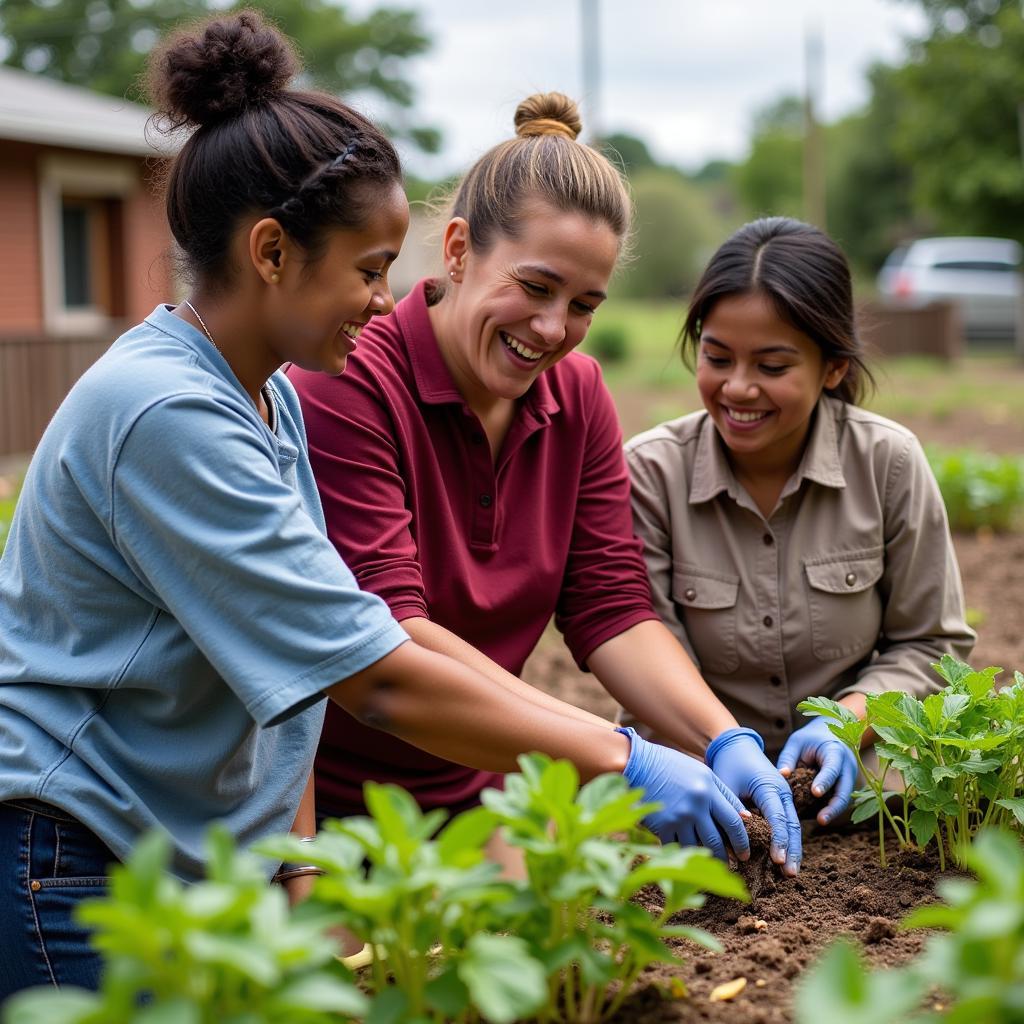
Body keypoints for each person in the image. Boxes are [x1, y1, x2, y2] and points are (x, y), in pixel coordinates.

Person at [0, 18, 757, 998]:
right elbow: (372, 673)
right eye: (367, 269)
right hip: (80, 859)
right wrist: (624, 757)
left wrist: (295, 866)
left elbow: (292, 673)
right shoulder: (169, 414)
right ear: (271, 251)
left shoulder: (257, 396)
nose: (384, 298)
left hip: (181, 852)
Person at [288, 93, 804, 881]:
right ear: (457, 250)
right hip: (322, 808)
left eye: (584, 305)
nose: (553, 328)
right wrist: (623, 756)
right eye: (534, 287)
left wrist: (721, 736)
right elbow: (390, 637)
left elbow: (610, 608)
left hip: (478, 782)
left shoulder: (579, 394)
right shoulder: (349, 381)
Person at [624, 217, 976, 827]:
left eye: (772, 366)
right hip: (701, 790)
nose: (738, 387)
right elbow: (645, 657)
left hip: (859, 792)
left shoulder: (888, 463)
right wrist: (723, 746)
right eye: (717, 357)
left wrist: (848, 725)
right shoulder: (651, 475)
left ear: (833, 367)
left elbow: (931, 643)